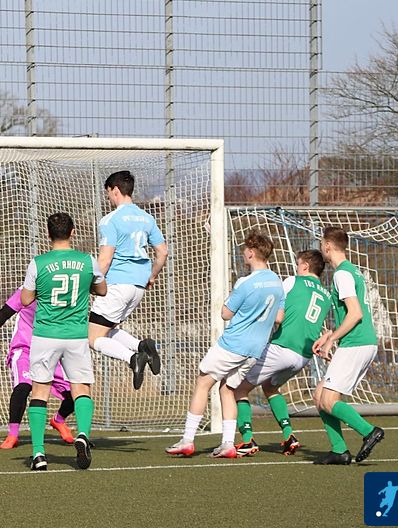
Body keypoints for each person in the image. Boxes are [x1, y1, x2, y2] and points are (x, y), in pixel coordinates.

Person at [166, 232, 283, 458]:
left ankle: (187, 440)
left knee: (203, 382)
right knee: (227, 388)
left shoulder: (246, 282)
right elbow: (279, 317)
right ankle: (228, 444)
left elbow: (225, 313)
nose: (243, 254)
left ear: (251, 252)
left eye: (245, 250)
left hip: (234, 343)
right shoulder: (277, 282)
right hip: (255, 349)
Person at [20, 212, 106, 471]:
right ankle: (83, 435)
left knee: (40, 392)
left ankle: (38, 454)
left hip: (45, 335)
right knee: (81, 389)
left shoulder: (38, 263)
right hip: (76, 336)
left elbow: (25, 299)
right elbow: (102, 290)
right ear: (73, 232)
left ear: (48, 234)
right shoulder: (88, 260)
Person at [234, 249, 331, 456]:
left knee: (238, 388)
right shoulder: (326, 295)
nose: (296, 268)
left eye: (298, 264)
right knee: (270, 387)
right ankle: (289, 435)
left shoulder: (293, 281)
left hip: (282, 347)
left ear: (305, 266)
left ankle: (247, 440)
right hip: (303, 356)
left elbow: (275, 309)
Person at [89, 171, 169, 390]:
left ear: (115, 190)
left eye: (108, 193)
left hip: (117, 284)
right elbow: (162, 252)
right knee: (107, 329)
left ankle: (132, 358)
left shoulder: (110, 220)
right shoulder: (147, 218)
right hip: (138, 286)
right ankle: (142, 346)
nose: (108, 198)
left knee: (92, 337)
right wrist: (152, 276)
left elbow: (105, 260)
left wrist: (92, 284)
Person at [312, 227, 384, 465]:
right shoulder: (352, 271)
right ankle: (339, 450)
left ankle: (369, 431)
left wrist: (332, 340)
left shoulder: (342, 274)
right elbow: (351, 315)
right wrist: (329, 335)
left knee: (328, 400)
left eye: (321, 243)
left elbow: (355, 314)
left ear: (327, 246)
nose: (321, 247)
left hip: (356, 343)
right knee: (320, 395)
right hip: (360, 342)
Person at [0, 288, 77, 449]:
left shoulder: (61, 293)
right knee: (23, 388)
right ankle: (13, 435)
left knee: (75, 393)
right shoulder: (27, 291)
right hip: (24, 349)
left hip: (50, 352)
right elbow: (6, 311)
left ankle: (58, 420)